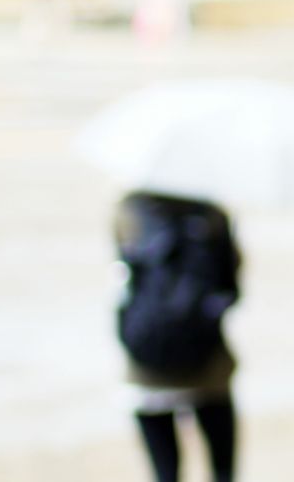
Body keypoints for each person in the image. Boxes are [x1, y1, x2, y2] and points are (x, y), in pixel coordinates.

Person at [114, 192, 240, 482]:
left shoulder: (128, 210)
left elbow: (124, 277)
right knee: (223, 472)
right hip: (209, 361)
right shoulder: (212, 214)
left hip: (146, 364)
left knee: (166, 474)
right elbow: (231, 289)